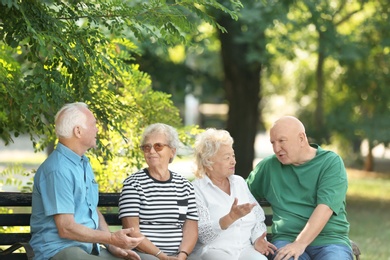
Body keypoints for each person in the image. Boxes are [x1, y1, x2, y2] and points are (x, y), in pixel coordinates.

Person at [30, 102, 144, 260]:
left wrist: (112, 245)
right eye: (93, 124)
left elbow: (92, 210)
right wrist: (110, 238)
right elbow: (66, 228)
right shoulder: (58, 169)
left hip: (88, 249)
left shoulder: (83, 163)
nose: (97, 129)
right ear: (78, 131)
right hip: (59, 250)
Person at [247, 116, 353, 260]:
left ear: (301, 139)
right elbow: (238, 192)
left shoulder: (330, 163)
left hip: (329, 241)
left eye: (281, 141)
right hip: (286, 240)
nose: (276, 148)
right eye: (273, 142)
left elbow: (325, 208)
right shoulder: (269, 167)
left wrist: (299, 243)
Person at [191, 128, 276, 260]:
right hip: (214, 251)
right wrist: (230, 218)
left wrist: (258, 238)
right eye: (227, 158)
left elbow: (258, 216)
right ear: (209, 163)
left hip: (244, 249)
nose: (233, 161)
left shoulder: (239, 182)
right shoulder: (197, 189)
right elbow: (203, 234)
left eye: (233, 156)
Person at [118, 123, 199, 260]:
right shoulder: (133, 185)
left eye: (158, 146)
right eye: (146, 147)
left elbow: (191, 230)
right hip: (146, 255)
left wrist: (182, 256)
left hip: (179, 256)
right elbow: (133, 233)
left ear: (172, 151)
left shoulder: (185, 186)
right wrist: (162, 256)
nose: (151, 151)